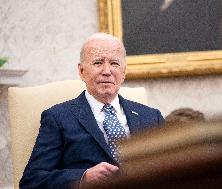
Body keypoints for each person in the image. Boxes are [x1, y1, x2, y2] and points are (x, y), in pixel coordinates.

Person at [19, 33, 165, 189]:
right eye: (98, 62)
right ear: (82, 71)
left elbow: (172, 169)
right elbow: (32, 181)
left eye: (114, 63)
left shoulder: (151, 117)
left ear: (123, 73)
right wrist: (83, 178)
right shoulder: (58, 118)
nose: (107, 71)